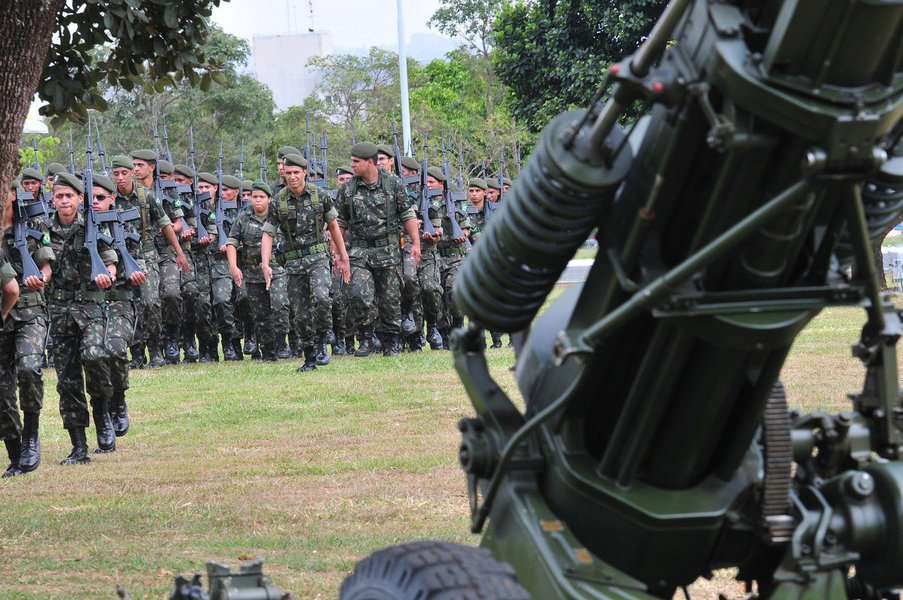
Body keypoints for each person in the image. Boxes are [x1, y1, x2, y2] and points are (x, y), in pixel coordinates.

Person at [45, 172, 118, 464]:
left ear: (79, 198)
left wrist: (107, 275)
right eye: (59, 196)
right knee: (67, 378)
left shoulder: (93, 224)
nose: (64, 201)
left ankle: (102, 412)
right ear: (53, 199)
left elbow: (111, 260)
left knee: (95, 356)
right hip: (60, 309)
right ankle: (79, 446)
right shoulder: (43, 228)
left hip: (90, 306)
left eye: (69, 196)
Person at [265, 154, 350, 371]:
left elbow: (334, 226)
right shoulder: (278, 201)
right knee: (300, 313)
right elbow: (268, 233)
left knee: (322, 298)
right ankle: (309, 355)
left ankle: (322, 341)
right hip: (293, 262)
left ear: (305, 172)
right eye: (288, 173)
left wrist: (343, 256)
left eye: (296, 172)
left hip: (318, 258)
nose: (292, 177)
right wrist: (266, 263)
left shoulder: (320, 196)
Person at [335, 142, 420, 357]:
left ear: (370, 162)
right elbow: (340, 223)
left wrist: (416, 243)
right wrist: (337, 253)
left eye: (356, 162)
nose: (352, 165)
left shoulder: (393, 184)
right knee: (359, 294)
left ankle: (391, 341)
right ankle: (367, 337)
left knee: (389, 299)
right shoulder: (347, 189)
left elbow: (407, 214)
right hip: (359, 252)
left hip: (388, 250)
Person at [0, 182, 53, 476]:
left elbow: (47, 264)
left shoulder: (32, 222)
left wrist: (40, 277)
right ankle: (15, 452)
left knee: (29, 367)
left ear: (13, 193)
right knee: (2, 389)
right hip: (1, 312)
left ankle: (31, 435)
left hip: (30, 309)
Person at [225, 181, 284, 362]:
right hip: (252, 272)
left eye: (262, 197)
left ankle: (283, 343)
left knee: (280, 304)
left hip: (276, 269)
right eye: (254, 197)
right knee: (260, 314)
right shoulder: (243, 218)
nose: (257, 200)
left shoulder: (277, 217)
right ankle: (268, 351)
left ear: (269, 199)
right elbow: (232, 242)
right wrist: (233, 267)